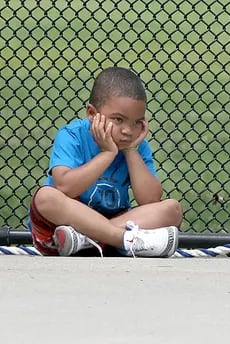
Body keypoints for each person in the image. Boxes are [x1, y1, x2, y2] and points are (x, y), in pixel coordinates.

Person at [28, 66, 183, 257]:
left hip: (91, 230)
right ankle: (124, 240)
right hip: (62, 230)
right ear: (92, 114)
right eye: (118, 120)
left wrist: (131, 151)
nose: (128, 130)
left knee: (172, 209)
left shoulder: (137, 145)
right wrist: (107, 154)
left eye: (137, 122)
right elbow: (65, 187)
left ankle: (90, 239)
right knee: (46, 197)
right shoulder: (72, 135)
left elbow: (150, 199)